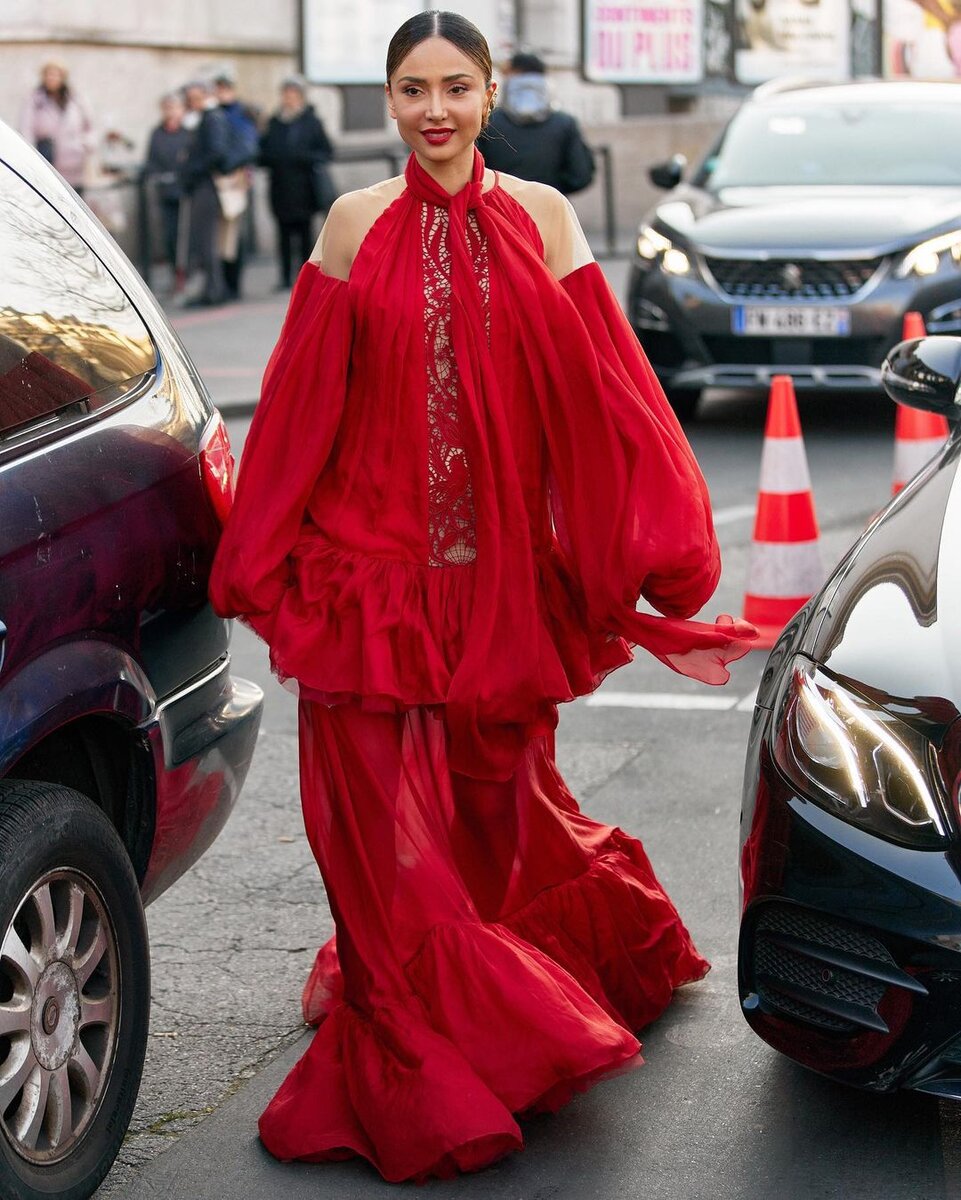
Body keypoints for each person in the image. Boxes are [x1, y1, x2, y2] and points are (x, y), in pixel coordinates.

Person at [209, 9, 755, 1184]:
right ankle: (417, 1047)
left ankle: (522, 987)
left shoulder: (545, 217)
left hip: (498, 589)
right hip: (366, 581)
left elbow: (609, 393)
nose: (436, 110)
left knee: (492, 818)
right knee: (371, 845)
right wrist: (261, 557)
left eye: (457, 86)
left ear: (493, 90)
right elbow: (301, 401)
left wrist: (651, 541)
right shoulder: (352, 224)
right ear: (391, 102)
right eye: (414, 89)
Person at [478, 51, 595, 194]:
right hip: (550, 210)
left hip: (497, 210)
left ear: (512, 74)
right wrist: (552, 191)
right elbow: (580, 175)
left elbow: (473, 173)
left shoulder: (489, 121)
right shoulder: (565, 123)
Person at [259, 76, 335, 290]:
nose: (289, 99)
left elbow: (326, 151)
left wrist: (302, 156)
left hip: (304, 187)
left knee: (304, 234)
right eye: (286, 95)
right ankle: (284, 277)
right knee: (283, 234)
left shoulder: (311, 122)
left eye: (293, 95)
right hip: (280, 187)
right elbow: (263, 152)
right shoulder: (275, 123)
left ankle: (306, 277)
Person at [180, 79, 232, 307]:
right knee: (202, 240)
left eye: (197, 98)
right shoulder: (202, 119)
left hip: (206, 185)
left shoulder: (212, 118)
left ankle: (213, 290)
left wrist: (193, 167)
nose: (193, 103)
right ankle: (210, 289)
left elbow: (216, 152)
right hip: (201, 184)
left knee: (207, 240)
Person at [213, 71, 260, 298]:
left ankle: (233, 284)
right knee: (221, 236)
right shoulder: (215, 114)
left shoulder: (240, 114)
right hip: (219, 181)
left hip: (234, 179)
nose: (221, 93)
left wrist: (226, 166)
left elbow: (247, 147)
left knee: (233, 234)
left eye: (225, 88)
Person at [19, 62, 94, 194]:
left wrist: (85, 145)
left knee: (75, 200)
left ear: (63, 77)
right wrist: (30, 154)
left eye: (56, 74)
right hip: (47, 159)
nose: (52, 78)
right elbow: (26, 127)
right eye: (48, 74)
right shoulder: (35, 99)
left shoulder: (75, 98)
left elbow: (89, 126)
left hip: (74, 163)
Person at [144, 93, 191, 292]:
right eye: (168, 107)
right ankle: (175, 273)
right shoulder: (157, 134)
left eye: (175, 107)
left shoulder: (188, 134)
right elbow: (151, 160)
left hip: (185, 191)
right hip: (165, 192)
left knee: (185, 236)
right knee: (169, 235)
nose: (171, 112)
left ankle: (186, 273)